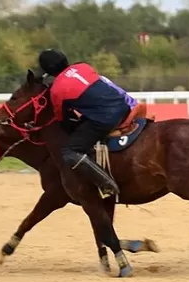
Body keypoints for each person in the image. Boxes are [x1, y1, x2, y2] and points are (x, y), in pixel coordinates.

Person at [38, 49, 131, 197]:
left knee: (70, 151)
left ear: (47, 71)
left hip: (105, 118)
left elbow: (63, 120)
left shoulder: (56, 90)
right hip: (123, 106)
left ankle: (106, 184)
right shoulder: (83, 66)